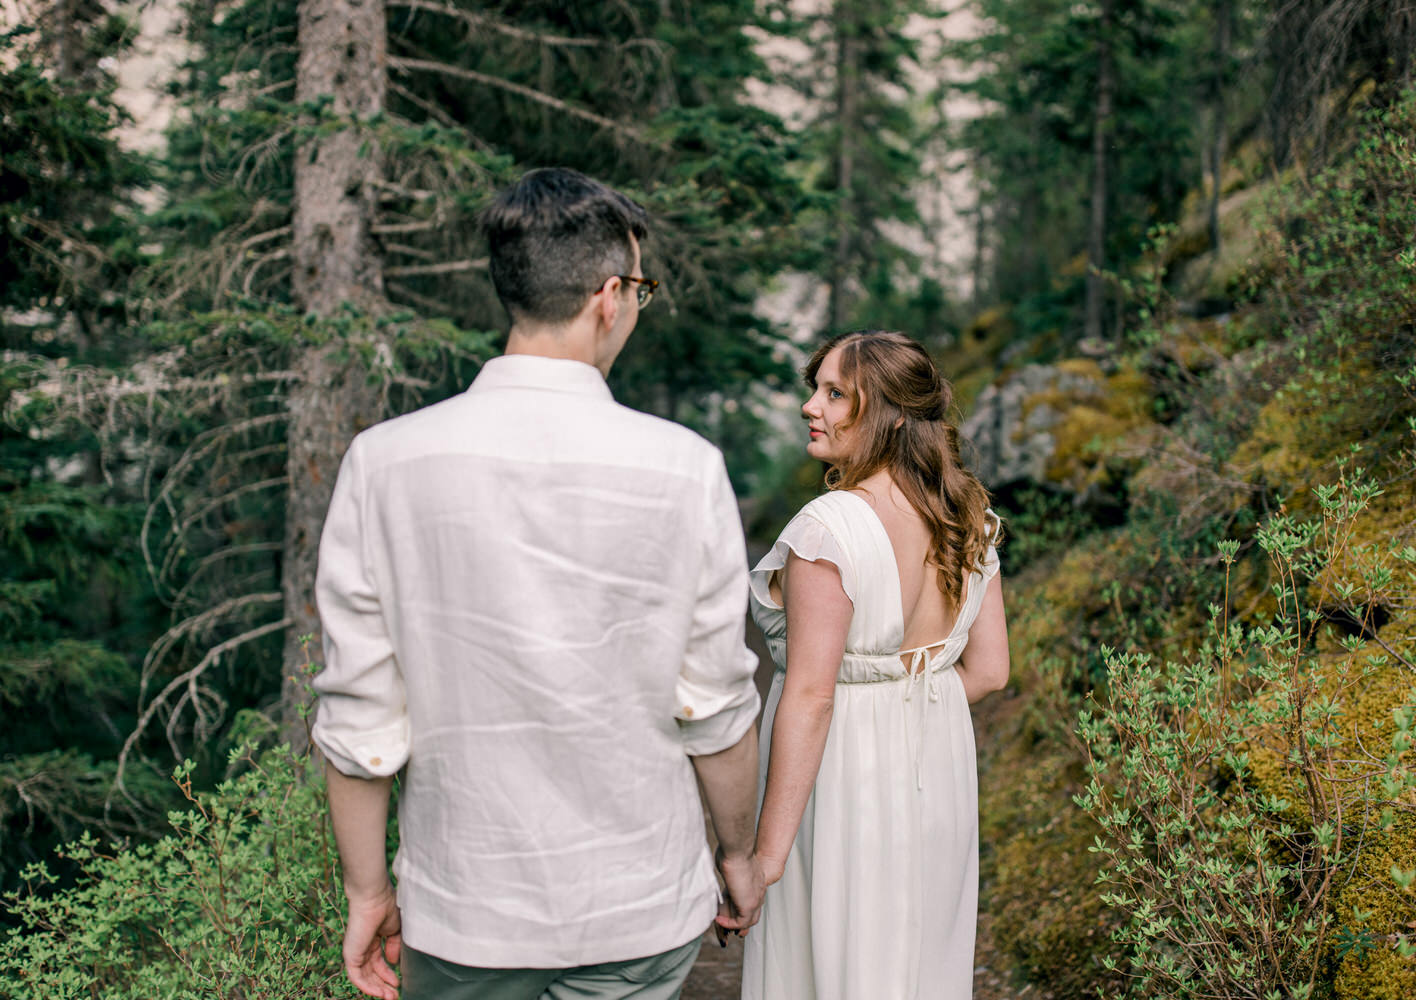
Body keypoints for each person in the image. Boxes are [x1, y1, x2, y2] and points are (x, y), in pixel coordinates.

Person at [311, 166, 765, 1000]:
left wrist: (368, 891)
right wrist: (737, 853)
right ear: (609, 295)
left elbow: (361, 718)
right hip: (637, 904)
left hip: (466, 908)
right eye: (640, 290)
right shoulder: (686, 470)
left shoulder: (384, 464)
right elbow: (717, 705)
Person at [737, 329, 1012, 999]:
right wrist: (913, 704)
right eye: (815, 389)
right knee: (917, 958)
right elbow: (990, 671)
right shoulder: (966, 517)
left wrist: (766, 857)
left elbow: (809, 696)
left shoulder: (826, 529)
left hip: (842, 775)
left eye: (834, 393)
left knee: (829, 954)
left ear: (884, 413)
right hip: (937, 767)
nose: (811, 406)